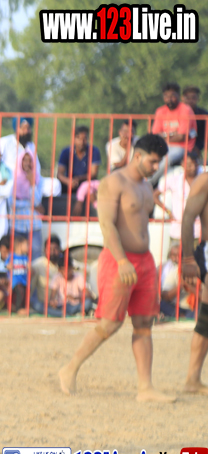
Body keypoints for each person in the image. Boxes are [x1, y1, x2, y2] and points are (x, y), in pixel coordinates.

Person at [59, 134, 173, 402]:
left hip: (145, 261)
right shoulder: (113, 182)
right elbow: (106, 224)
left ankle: (145, 387)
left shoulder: (146, 187)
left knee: (144, 324)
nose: (156, 167)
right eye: (153, 161)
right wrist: (122, 261)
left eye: (159, 162)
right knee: (110, 323)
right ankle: (70, 368)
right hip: (118, 259)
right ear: (137, 156)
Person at [177, 160, 208, 393]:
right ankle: (192, 379)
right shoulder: (204, 181)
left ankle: (192, 379)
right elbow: (188, 218)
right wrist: (188, 258)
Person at [150, 82, 196, 185]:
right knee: (150, 156)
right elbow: (155, 135)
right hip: (163, 145)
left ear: (178, 96)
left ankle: (149, 183)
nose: (169, 99)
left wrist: (164, 135)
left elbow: (181, 137)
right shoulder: (160, 111)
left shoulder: (185, 110)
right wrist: (172, 134)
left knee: (167, 159)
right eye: (166, 96)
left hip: (182, 147)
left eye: (172, 96)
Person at [56, 126, 101, 215]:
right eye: (79, 138)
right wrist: (69, 181)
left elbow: (93, 174)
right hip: (70, 186)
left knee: (90, 188)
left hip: (87, 184)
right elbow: (59, 174)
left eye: (84, 139)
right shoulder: (66, 152)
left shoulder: (94, 151)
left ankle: (96, 212)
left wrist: (78, 179)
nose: (82, 142)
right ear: (74, 139)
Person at [182, 86, 208, 157]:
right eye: (188, 98)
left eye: (193, 98)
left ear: (198, 99)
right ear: (183, 98)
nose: (190, 101)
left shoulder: (204, 115)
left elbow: (204, 136)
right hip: (179, 146)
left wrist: (198, 147)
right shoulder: (177, 113)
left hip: (196, 147)